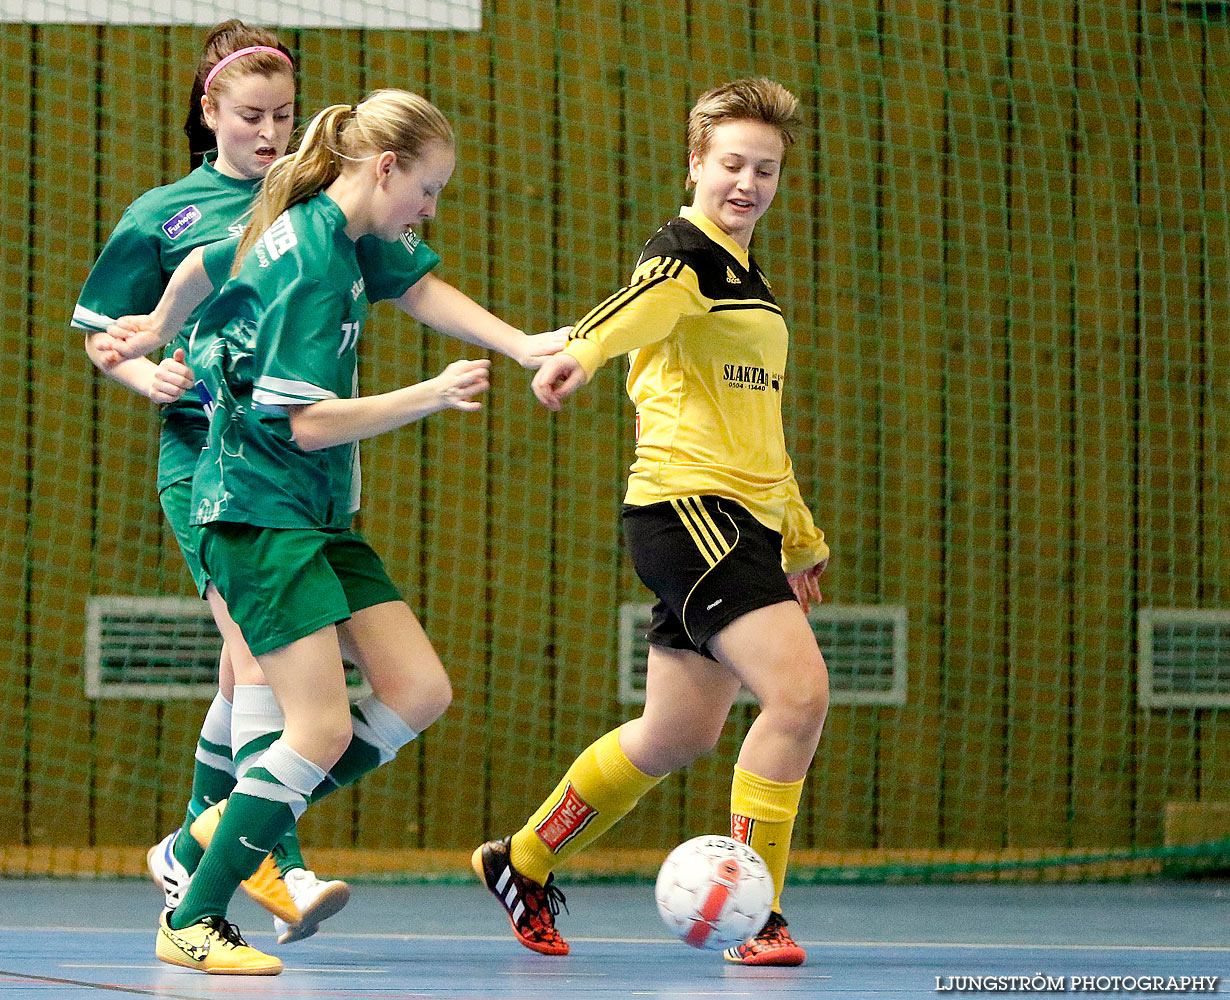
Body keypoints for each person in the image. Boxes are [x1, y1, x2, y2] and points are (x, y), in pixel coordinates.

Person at [140, 87, 506, 976]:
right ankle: (193, 914)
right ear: (385, 168)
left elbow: (205, 274)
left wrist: (528, 345)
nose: (429, 210)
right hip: (258, 511)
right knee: (319, 727)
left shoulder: (334, 240)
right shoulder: (307, 255)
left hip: (311, 511)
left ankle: (208, 836)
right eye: (428, 189)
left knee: (418, 690)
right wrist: (429, 394)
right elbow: (300, 423)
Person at [472, 78, 830, 968]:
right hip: (688, 509)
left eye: (767, 169)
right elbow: (632, 309)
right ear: (696, 163)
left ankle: (522, 858)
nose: (748, 182)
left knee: (679, 735)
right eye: (733, 164)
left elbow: (760, 433)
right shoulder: (682, 255)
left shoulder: (751, 281)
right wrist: (579, 355)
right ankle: (763, 916)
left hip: (741, 519)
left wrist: (801, 537)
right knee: (798, 695)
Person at [73, 20, 354, 944]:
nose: (270, 133)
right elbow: (104, 332)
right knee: (258, 652)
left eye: (284, 115)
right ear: (209, 110)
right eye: (251, 116)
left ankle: (192, 848)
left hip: (294, 459)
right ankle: (273, 857)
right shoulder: (168, 212)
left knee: (256, 661)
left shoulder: (311, 206)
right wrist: (138, 371)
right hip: (204, 457)